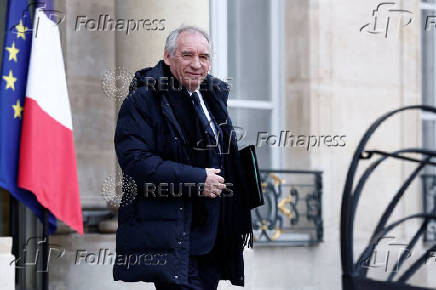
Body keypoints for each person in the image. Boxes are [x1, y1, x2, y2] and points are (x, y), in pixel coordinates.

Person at [112, 26, 253, 289]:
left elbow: (223, 154)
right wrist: (198, 179)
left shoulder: (212, 97)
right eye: (187, 55)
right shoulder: (143, 100)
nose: (197, 64)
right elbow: (137, 163)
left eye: (204, 57)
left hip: (214, 237)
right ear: (168, 57)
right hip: (176, 236)